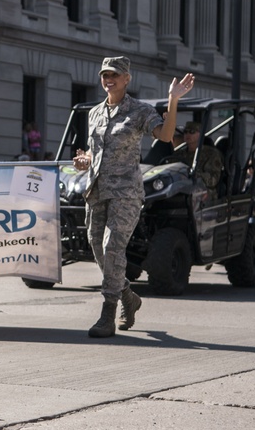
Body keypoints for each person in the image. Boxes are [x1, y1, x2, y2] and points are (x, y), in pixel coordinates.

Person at [73, 56, 193, 338]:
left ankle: (107, 313)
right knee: (99, 249)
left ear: (127, 78)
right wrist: (84, 160)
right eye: (104, 74)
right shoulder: (95, 113)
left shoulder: (139, 111)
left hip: (125, 192)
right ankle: (128, 295)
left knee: (112, 246)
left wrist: (172, 100)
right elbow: (95, 153)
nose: (108, 79)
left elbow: (165, 136)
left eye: (114, 74)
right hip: (97, 190)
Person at [170, 121, 223, 194]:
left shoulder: (211, 154)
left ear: (200, 134)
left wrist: (194, 175)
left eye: (192, 132)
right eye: (185, 132)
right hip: (181, 189)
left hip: (204, 191)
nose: (188, 134)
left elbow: (213, 180)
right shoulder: (179, 154)